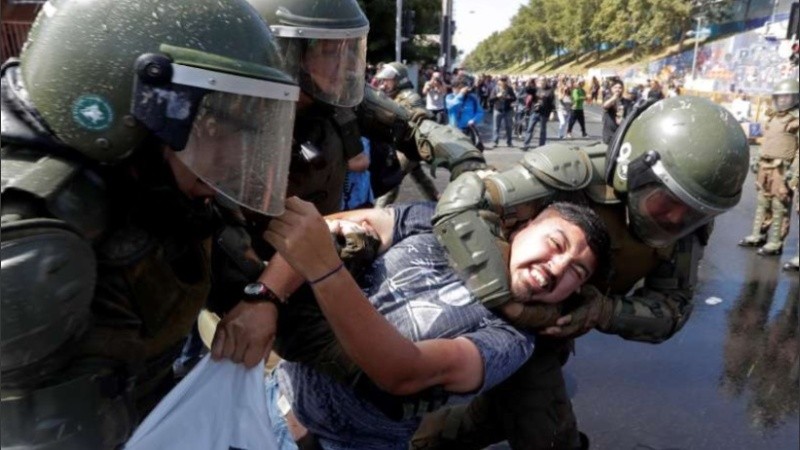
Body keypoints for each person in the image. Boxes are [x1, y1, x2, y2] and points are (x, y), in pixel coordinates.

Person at [0, 0, 301, 448]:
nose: (235, 156)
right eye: (214, 126)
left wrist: (265, 296)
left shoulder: (157, 180)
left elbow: (236, 267)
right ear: (133, 110)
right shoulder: (32, 247)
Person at [416, 96, 750, 449]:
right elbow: (468, 202)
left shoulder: (685, 228)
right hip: (484, 314)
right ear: (634, 170)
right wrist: (508, 300)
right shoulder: (573, 172)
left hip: (548, 335)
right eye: (667, 203)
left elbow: (671, 309)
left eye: (694, 213)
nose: (676, 219)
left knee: (497, 418)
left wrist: (603, 311)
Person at [211, 0, 487, 368]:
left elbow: (415, 127)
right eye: (329, 51)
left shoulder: (337, 99)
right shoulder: (231, 120)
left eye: (347, 48)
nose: (346, 64)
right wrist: (265, 295)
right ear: (283, 54)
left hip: (318, 262)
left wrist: (470, 168)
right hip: (251, 289)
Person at [259, 198, 610, 450]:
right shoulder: (438, 222)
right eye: (556, 244)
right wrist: (262, 299)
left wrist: (326, 272)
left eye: (576, 271)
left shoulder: (513, 341)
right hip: (271, 398)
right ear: (525, 227)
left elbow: (404, 372)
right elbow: (318, 230)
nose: (557, 267)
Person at [738, 78, 799, 256]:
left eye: (787, 97)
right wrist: (758, 158)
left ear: (795, 98)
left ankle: (775, 242)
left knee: (779, 205)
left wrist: (794, 172)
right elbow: (767, 141)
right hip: (766, 165)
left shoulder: (795, 121)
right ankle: (758, 234)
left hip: (782, 168)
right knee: (763, 202)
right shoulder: (772, 117)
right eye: (779, 97)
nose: (782, 100)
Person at [372, 62, 440, 207]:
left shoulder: (410, 97)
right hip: (405, 146)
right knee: (420, 177)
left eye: (387, 80)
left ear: (398, 80)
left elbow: (423, 121)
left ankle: (378, 211)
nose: (384, 83)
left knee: (391, 180)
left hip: (409, 146)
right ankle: (438, 203)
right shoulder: (396, 95)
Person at [446, 74, 485, 149]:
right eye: (455, 87)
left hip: (469, 130)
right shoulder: (450, 97)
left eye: (460, 87)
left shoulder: (472, 98)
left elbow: (480, 112)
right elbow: (452, 106)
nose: (454, 89)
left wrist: (474, 120)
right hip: (455, 131)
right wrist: (460, 95)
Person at [522, 77, 555, 150]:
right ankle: (526, 145)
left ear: (546, 81)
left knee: (542, 130)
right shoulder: (536, 89)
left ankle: (541, 146)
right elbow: (527, 90)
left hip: (544, 112)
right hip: (535, 112)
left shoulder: (550, 90)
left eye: (543, 81)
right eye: (540, 81)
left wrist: (552, 112)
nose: (541, 82)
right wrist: (528, 81)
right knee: (530, 128)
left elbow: (552, 102)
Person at [490, 75, 517, 148]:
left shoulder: (509, 89)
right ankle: (495, 142)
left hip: (507, 110)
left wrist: (509, 98)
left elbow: (514, 98)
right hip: (497, 110)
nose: (503, 82)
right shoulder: (495, 88)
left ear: (506, 81)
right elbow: (491, 99)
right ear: (499, 81)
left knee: (509, 127)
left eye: (504, 80)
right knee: (496, 127)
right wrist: (497, 96)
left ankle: (509, 142)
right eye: (501, 80)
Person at [601, 78, 626, 145]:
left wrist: (622, 120)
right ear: (611, 89)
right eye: (615, 87)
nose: (618, 89)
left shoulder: (625, 101)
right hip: (610, 134)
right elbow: (605, 106)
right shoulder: (608, 98)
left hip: (620, 133)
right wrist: (614, 98)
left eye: (620, 88)